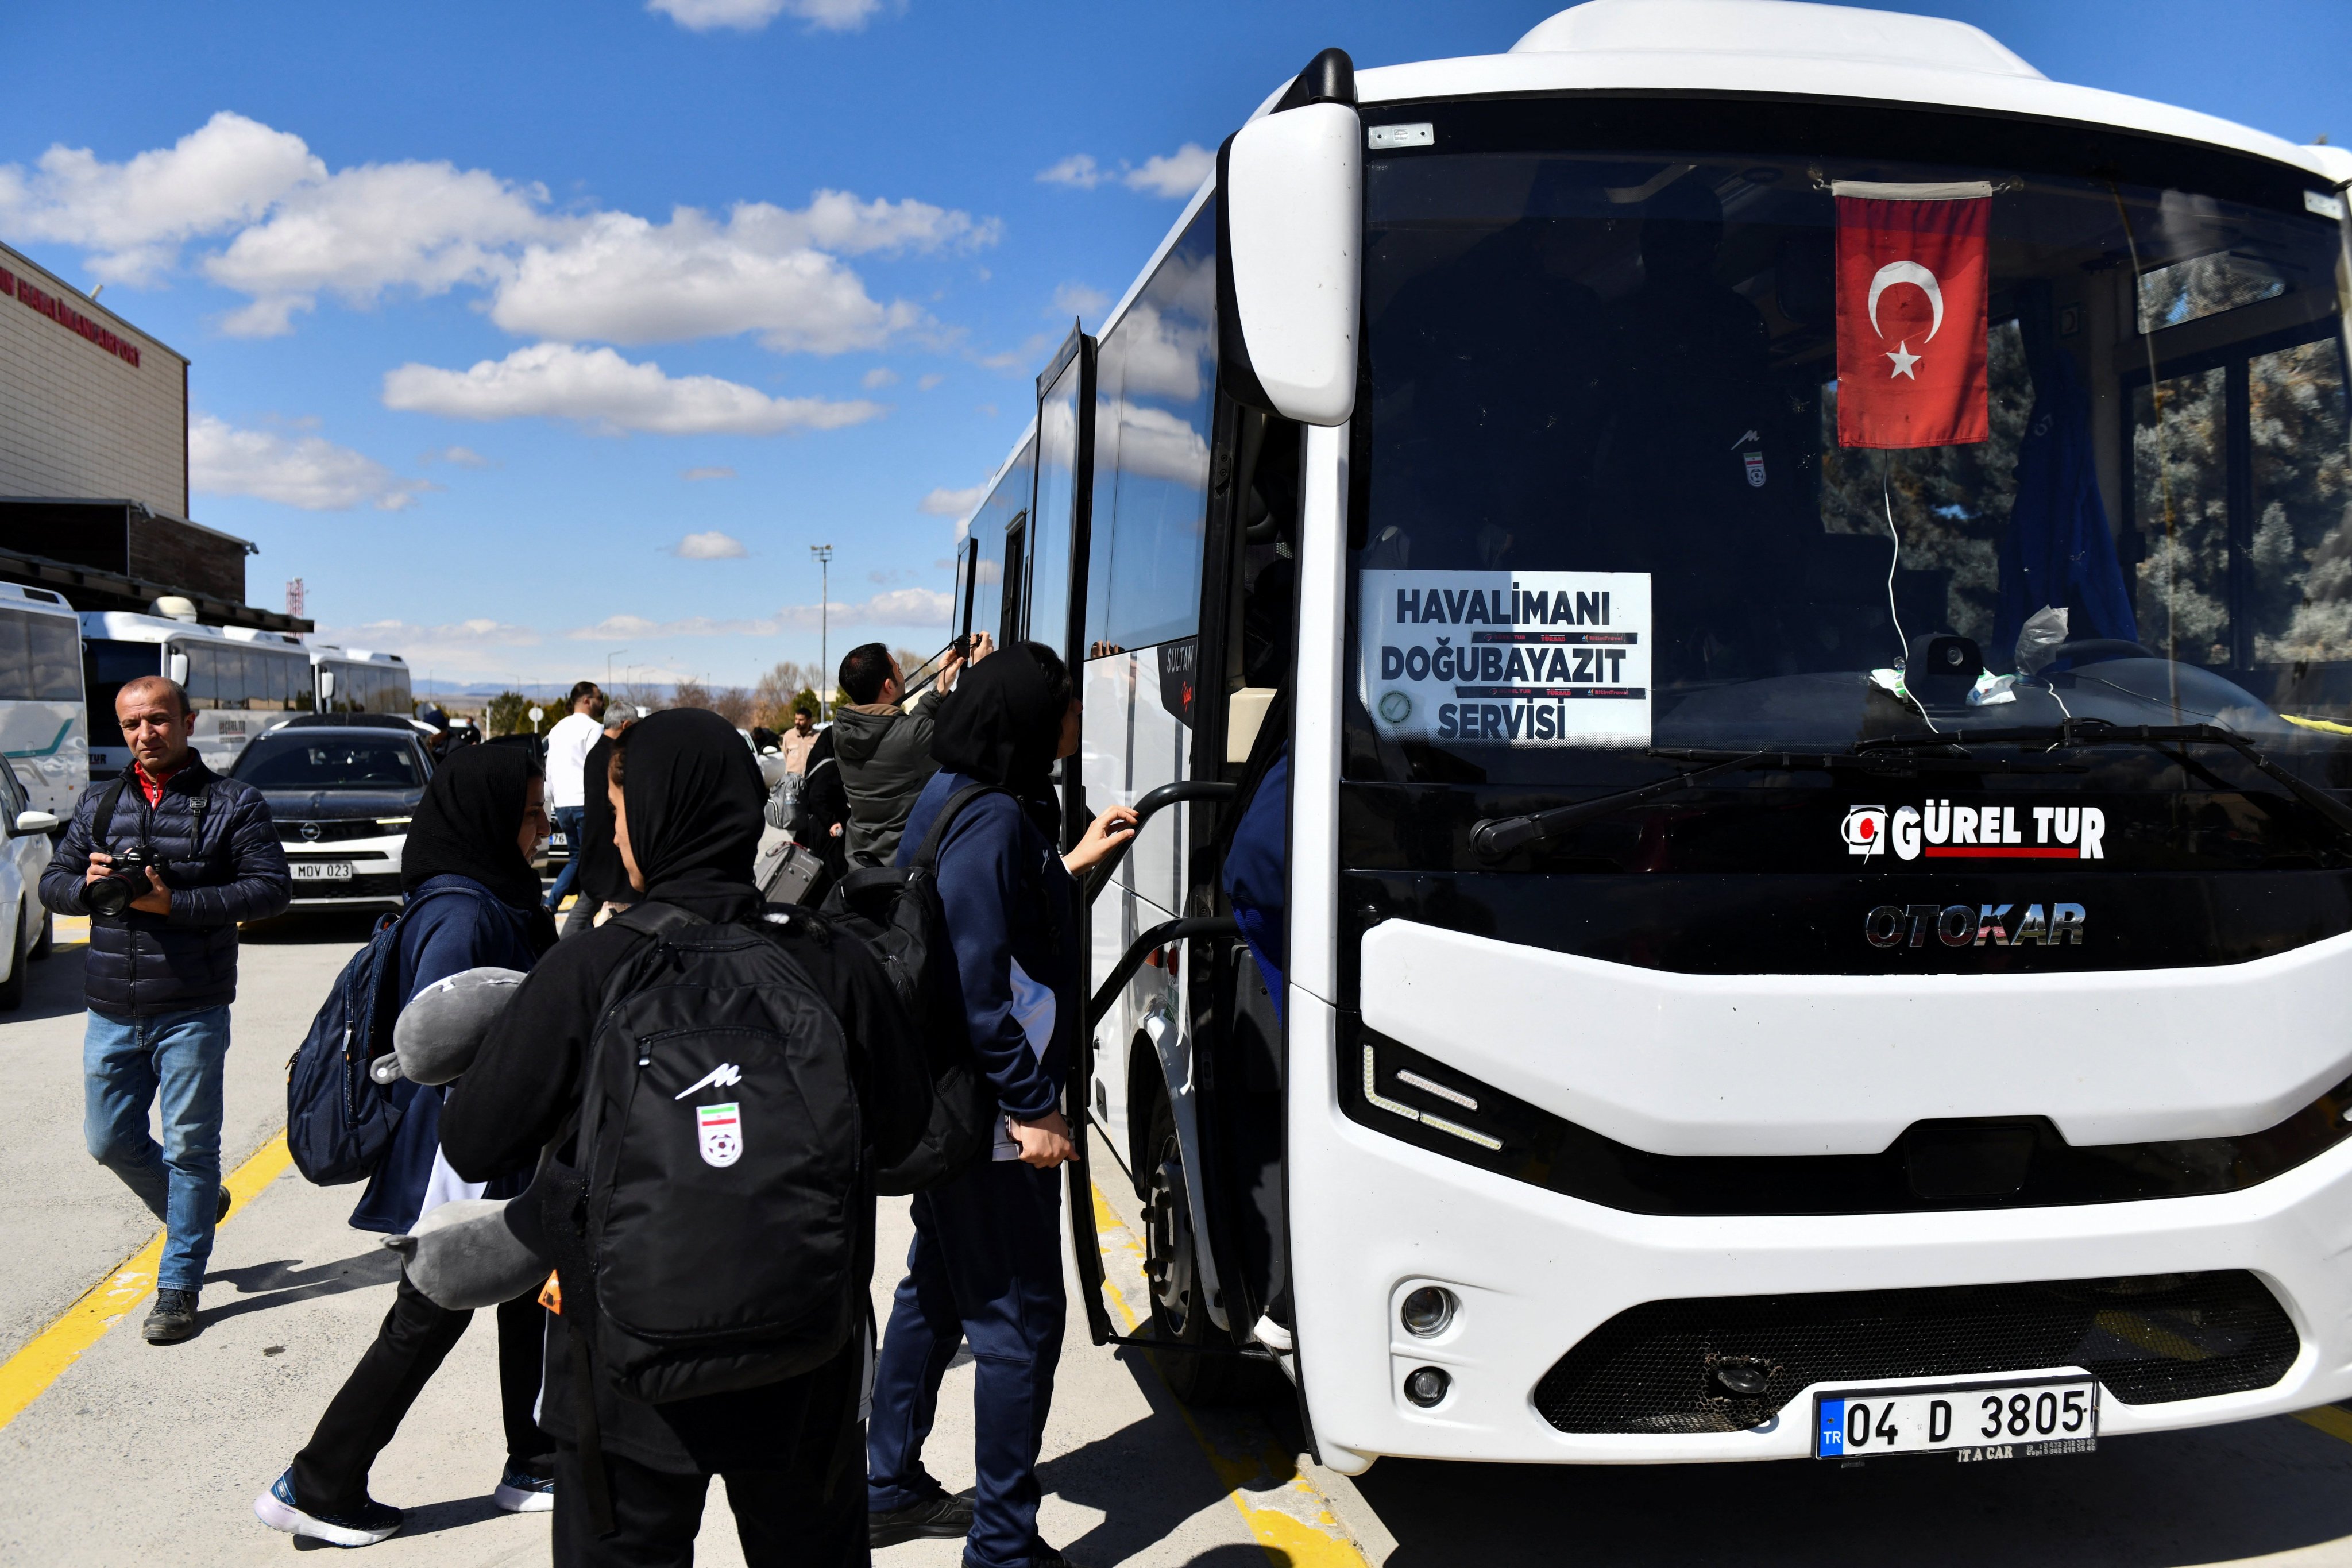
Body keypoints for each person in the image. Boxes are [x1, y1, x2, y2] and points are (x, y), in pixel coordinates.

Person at [439, 709, 932, 1568]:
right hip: (804, 1359)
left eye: (620, 813)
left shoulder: (590, 967)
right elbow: (903, 1136)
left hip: (624, 1379)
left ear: (656, 816)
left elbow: (475, 1141)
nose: (617, 835)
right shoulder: (831, 959)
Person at [866, 643, 1136, 1568]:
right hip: (986, 1117)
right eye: (1064, 708)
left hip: (949, 1104)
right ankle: (1004, 1546)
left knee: (935, 1291)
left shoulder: (956, 795)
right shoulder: (989, 824)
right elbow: (979, 984)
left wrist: (1070, 867)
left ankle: (887, 1482)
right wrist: (1034, 1106)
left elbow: (990, 927)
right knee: (1019, 1325)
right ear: (1027, 720)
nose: (1072, 723)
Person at [255, 747, 561, 1547]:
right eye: (530, 812)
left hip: (494, 1144)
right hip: (461, 1151)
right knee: (429, 1313)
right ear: (489, 818)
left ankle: (534, 1456)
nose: (542, 826)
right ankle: (319, 1480)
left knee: (525, 1287)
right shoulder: (462, 914)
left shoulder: (491, 893)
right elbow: (447, 1044)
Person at [40, 675, 291, 1344]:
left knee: (188, 1147)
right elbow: (52, 882)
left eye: (157, 720)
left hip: (192, 1007)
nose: (145, 734)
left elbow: (269, 891)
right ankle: (200, 1210)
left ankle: (179, 1286)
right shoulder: (99, 802)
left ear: (188, 720)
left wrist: (171, 903)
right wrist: (85, 886)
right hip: (109, 1007)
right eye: (131, 725)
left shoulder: (233, 801)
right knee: (108, 1141)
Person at [832, 635, 988, 867]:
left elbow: (898, 732)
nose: (902, 673)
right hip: (904, 871)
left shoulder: (842, 729)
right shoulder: (910, 738)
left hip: (861, 864)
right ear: (889, 686)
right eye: (898, 669)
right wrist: (984, 669)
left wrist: (939, 690)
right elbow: (973, 730)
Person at [560, 706, 639, 939]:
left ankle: (563, 950)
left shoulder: (597, 753)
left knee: (589, 903)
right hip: (607, 845)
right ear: (625, 726)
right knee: (592, 905)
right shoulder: (611, 756)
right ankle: (563, 951)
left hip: (596, 844)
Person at [542, 681, 608, 913]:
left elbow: (549, 768)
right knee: (585, 859)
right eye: (599, 698)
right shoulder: (593, 728)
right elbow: (596, 768)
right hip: (584, 802)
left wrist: (555, 797)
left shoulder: (557, 728)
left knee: (578, 857)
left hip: (562, 803)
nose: (602, 703)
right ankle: (552, 904)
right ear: (587, 700)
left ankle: (580, 911)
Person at [779, 708, 820, 781]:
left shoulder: (817, 737)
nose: (797, 722)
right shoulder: (789, 735)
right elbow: (786, 756)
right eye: (796, 719)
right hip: (792, 781)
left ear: (809, 721)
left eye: (801, 720)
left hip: (811, 779)